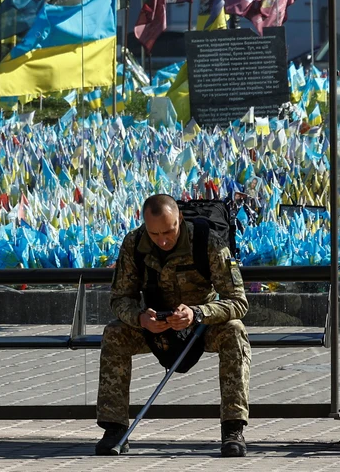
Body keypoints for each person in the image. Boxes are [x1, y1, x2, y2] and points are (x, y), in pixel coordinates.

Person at [96, 194, 251, 457]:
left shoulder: (207, 241)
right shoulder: (134, 244)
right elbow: (120, 298)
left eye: (169, 231)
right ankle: (114, 430)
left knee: (235, 332)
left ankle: (233, 430)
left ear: (180, 218)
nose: (163, 240)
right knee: (114, 334)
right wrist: (140, 318)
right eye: (155, 234)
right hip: (155, 325)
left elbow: (238, 302)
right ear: (144, 225)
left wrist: (198, 313)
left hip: (203, 324)